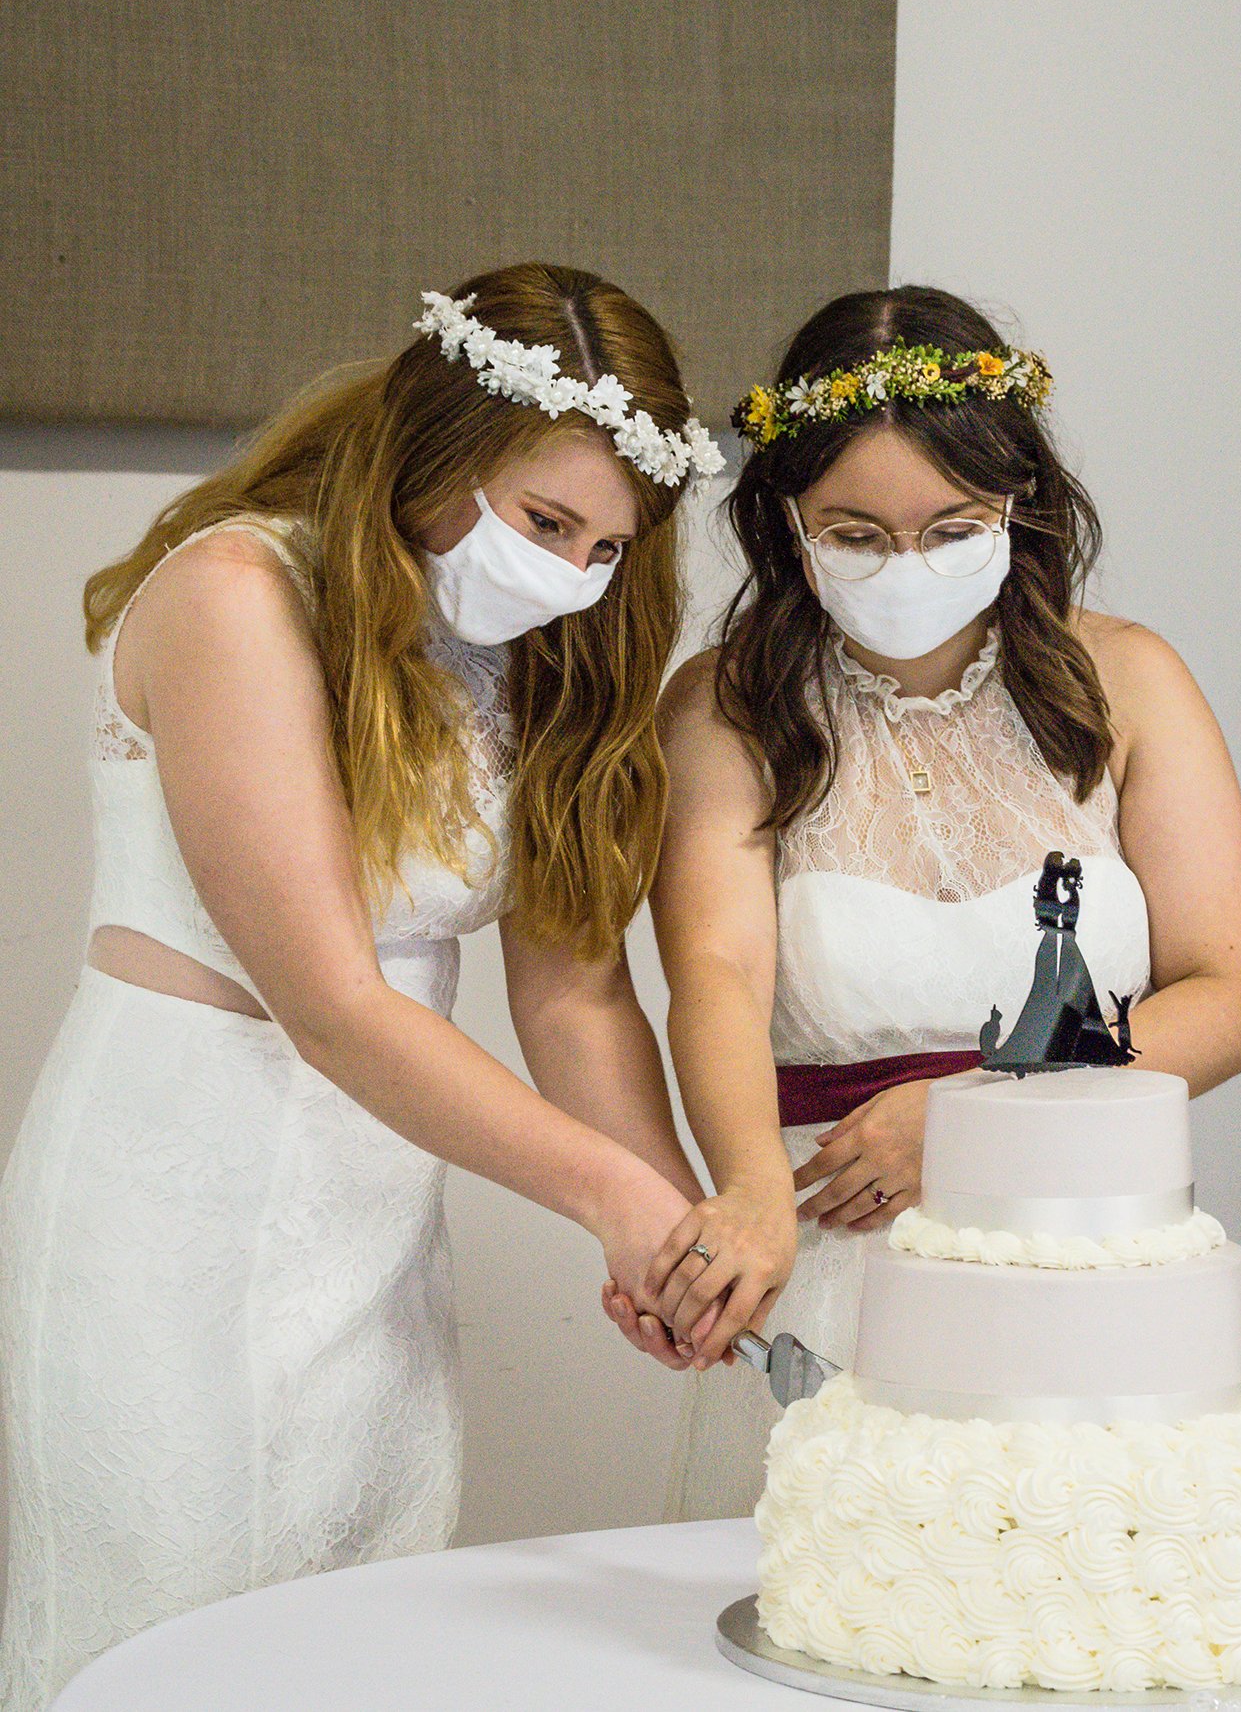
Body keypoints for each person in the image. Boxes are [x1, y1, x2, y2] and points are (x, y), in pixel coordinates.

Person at [0, 262, 724, 1708]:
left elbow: (575, 992)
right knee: (167, 1635)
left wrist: (679, 1227)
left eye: (606, 545)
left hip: (371, 1216)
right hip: (172, 1203)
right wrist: (605, 1196)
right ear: (438, 451)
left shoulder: (541, 650)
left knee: (363, 1634)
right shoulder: (235, 593)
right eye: (545, 523)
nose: (575, 574)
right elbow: (329, 1000)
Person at [606, 284, 1241, 1519]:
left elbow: (1230, 1004)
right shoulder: (726, 705)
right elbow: (716, 973)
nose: (902, 564)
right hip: (837, 1260)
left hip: (1091, 1259)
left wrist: (980, 1114)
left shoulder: (1128, 679)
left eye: (949, 525)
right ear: (785, 524)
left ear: (1016, 505)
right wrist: (746, 1189)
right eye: (853, 532)